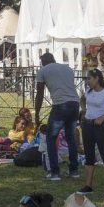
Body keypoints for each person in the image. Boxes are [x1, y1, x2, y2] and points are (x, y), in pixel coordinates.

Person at [34, 52, 80, 181]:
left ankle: (54, 172)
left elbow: (40, 94)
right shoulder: (68, 69)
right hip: (75, 104)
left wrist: (37, 113)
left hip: (60, 105)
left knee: (51, 137)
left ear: (42, 62)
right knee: (70, 137)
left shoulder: (42, 71)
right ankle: (74, 170)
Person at [77, 69, 104, 195]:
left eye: (89, 78)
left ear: (97, 78)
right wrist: (83, 111)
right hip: (87, 125)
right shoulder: (88, 91)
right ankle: (88, 185)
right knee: (89, 155)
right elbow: (82, 99)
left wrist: (103, 117)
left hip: (100, 126)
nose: (87, 81)